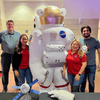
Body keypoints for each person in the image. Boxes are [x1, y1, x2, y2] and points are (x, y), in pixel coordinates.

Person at [0, 20, 21, 93]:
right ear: (6, 26)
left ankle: (18, 85)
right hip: (5, 55)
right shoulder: (2, 34)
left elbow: (21, 44)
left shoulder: (18, 34)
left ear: (13, 25)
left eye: (11, 24)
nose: (10, 26)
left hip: (15, 55)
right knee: (5, 72)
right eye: (8, 24)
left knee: (16, 71)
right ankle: (5, 87)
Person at [79, 25, 100, 92]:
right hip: (82, 66)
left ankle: (91, 96)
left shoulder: (95, 41)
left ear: (90, 31)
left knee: (91, 82)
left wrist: (99, 63)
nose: (85, 32)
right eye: (84, 31)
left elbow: (99, 52)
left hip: (92, 65)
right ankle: (82, 95)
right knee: (82, 82)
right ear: (82, 32)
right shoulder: (80, 41)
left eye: (87, 30)